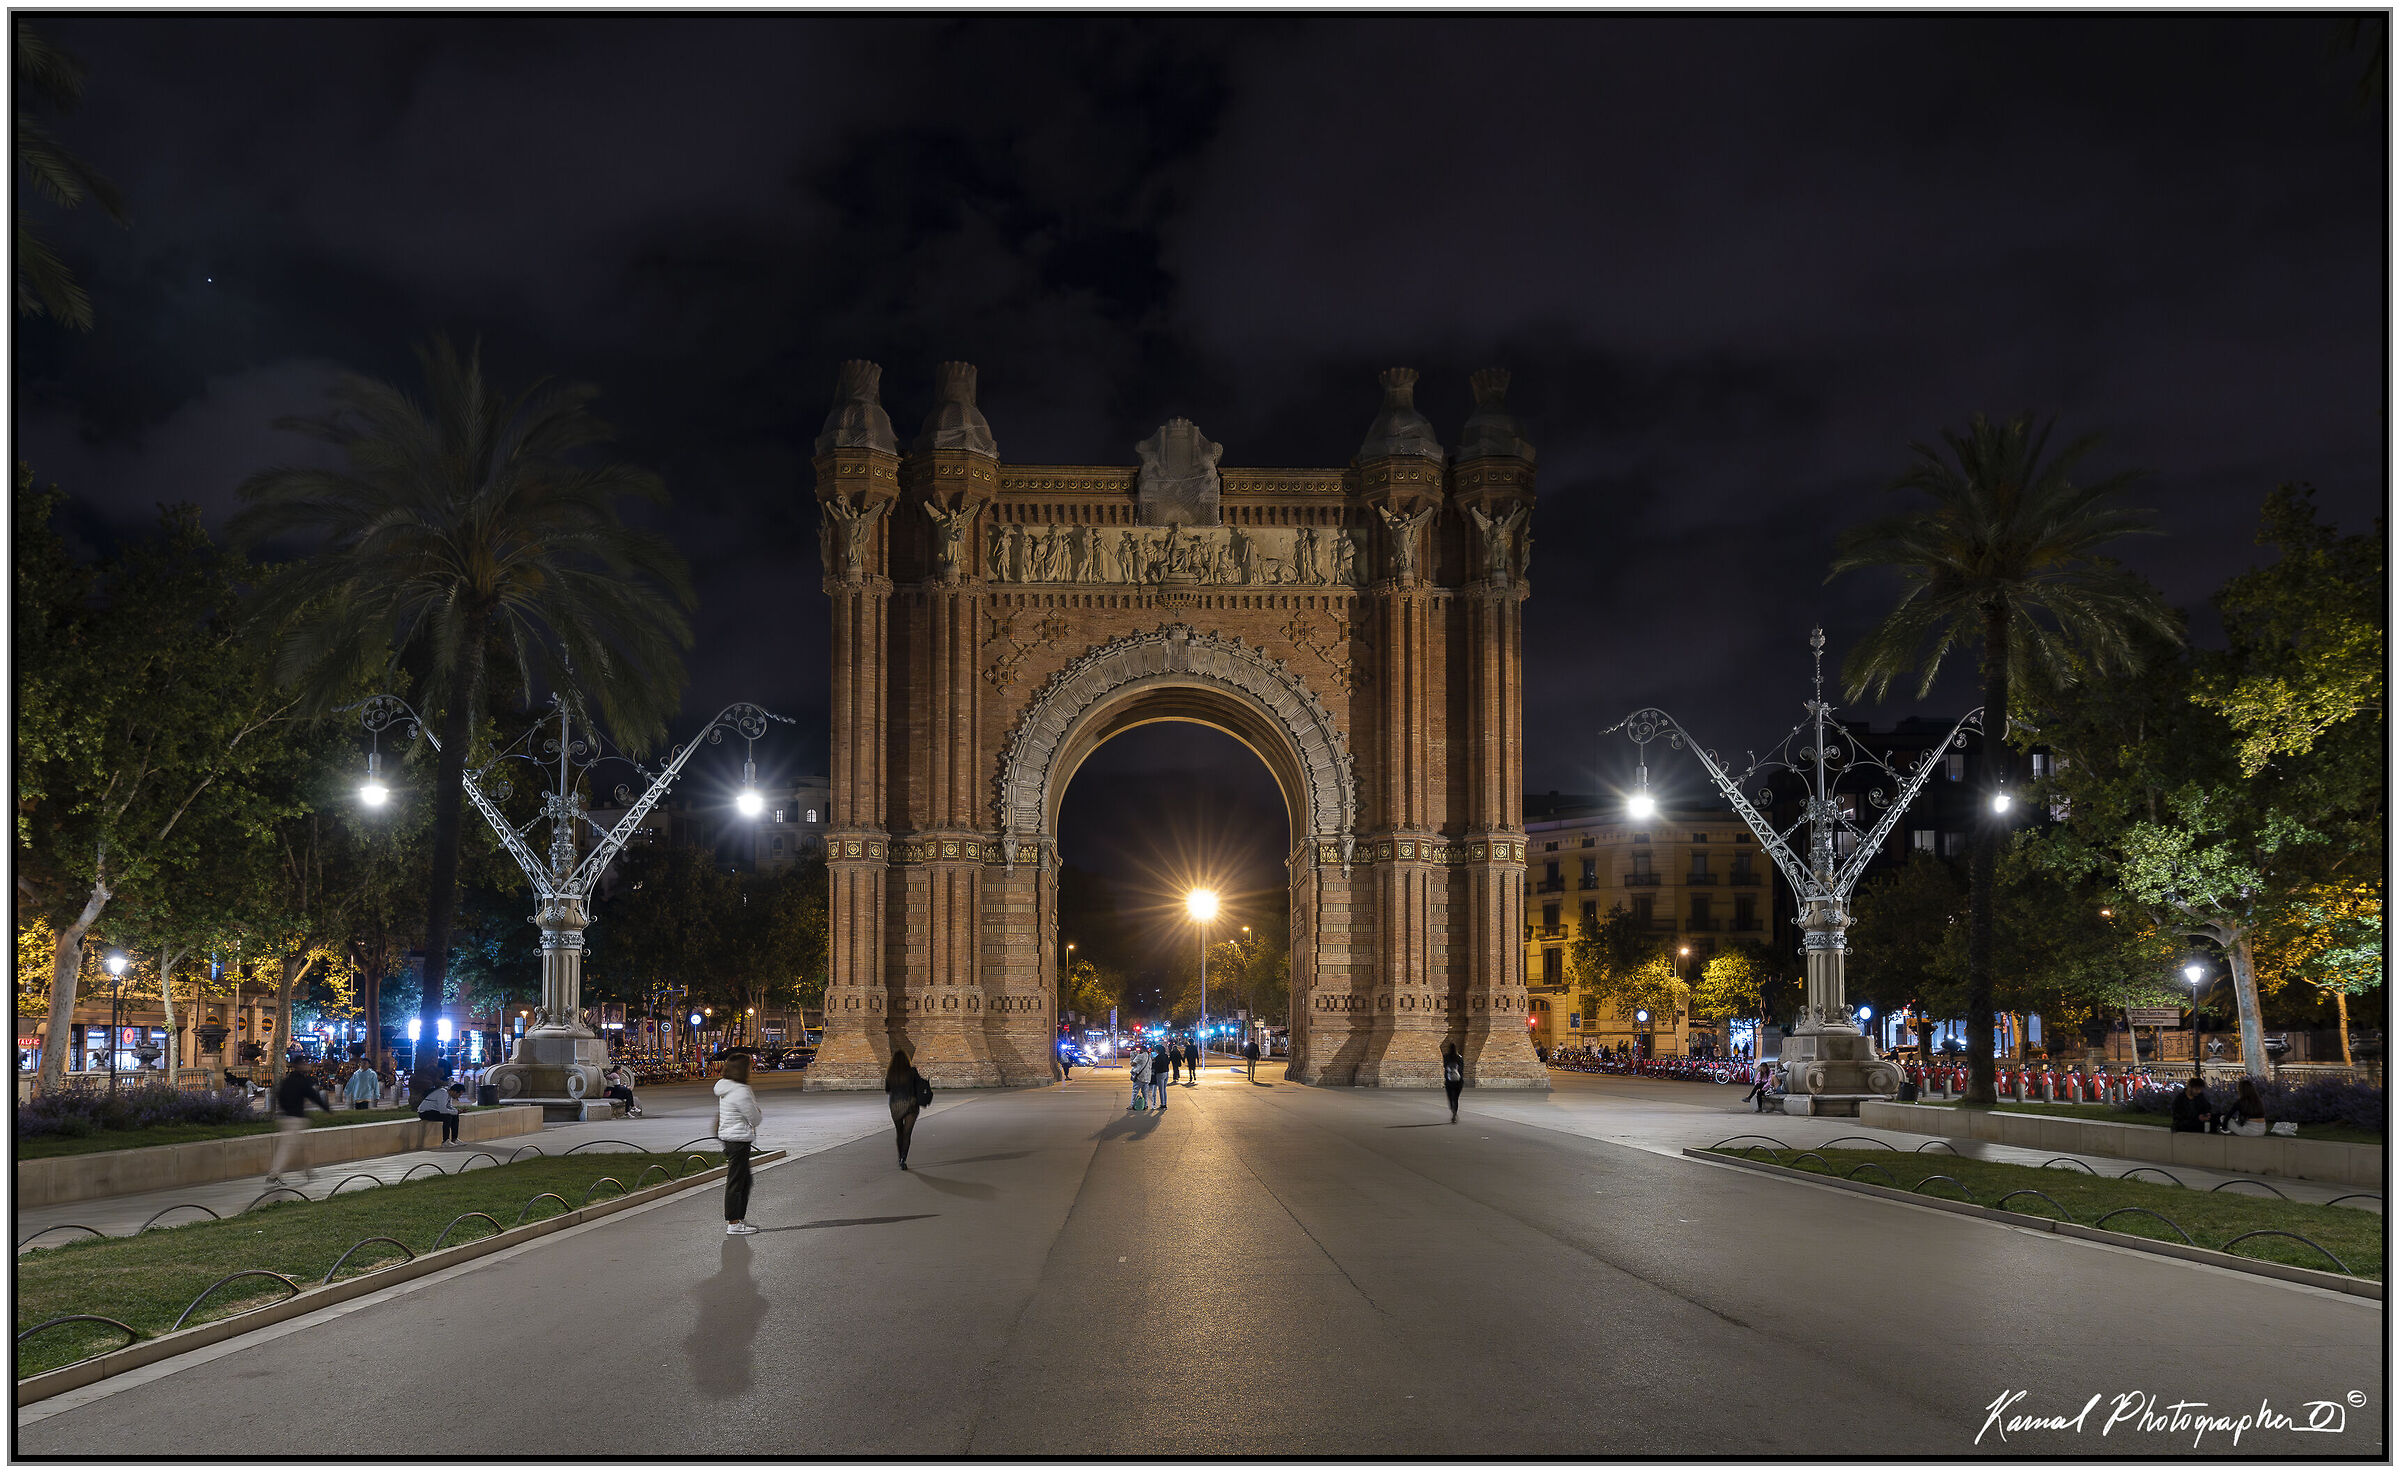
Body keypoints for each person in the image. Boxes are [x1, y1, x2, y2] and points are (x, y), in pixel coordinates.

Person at [265, 1059, 334, 1185]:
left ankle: (308, 1171)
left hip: (287, 1118)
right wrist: (327, 1109)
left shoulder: (287, 1080)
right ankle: (273, 1175)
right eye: (305, 1063)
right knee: (286, 1148)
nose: (307, 1065)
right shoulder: (302, 1081)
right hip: (295, 1119)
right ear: (300, 1066)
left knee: (302, 1146)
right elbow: (314, 1096)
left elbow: (279, 1096)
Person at [715, 1051, 762, 1234]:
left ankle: (737, 1219)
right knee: (737, 1182)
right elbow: (755, 1118)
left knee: (744, 1180)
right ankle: (734, 1223)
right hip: (738, 1138)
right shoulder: (740, 1091)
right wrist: (757, 1111)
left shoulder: (726, 1087)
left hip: (730, 1136)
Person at [886, 1048, 925, 1169]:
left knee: (899, 1132)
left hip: (895, 1105)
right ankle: (903, 1159)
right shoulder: (912, 1072)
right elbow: (919, 1085)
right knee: (907, 1134)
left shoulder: (891, 1073)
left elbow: (887, 1089)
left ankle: (899, 1158)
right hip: (911, 1105)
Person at [416, 1080, 465, 1146]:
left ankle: (454, 1139)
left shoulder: (448, 1095)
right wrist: (455, 1111)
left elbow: (449, 1106)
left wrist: (457, 1111)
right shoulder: (443, 1093)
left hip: (434, 1111)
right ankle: (445, 1141)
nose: (459, 1097)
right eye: (459, 1094)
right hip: (425, 1113)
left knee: (455, 1116)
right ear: (454, 1091)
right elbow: (443, 1110)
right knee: (447, 1117)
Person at [1441, 1041, 1465, 1123]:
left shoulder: (1446, 1057)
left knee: (1450, 1098)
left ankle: (1453, 1111)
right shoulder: (1459, 1058)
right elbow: (1462, 1069)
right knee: (1456, 1098)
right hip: (1459, 1081)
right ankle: (1455, 1113)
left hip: (1449, 1080)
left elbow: (1445, 1067)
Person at [1126, 1043, 1151, 1111]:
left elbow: (1132, 1064)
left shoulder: (1140, 1056)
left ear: (1141, 1050)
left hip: (1139, 1077)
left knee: (1135, 1091)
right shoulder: (1149, 1057)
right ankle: (1145, 1105)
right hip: (1147, 1078)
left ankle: (1132, 1105)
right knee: (1145, 1093)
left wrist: (1132, 1056)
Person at [1149, 1044, 1171, 1111]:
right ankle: (1164, 1103)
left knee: (1161, 1090)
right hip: (1166, 1073)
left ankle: (1163, 1105)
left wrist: (1153, 1062)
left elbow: (1156, 1066)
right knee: (1164, 1089)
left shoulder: (1158, 1057)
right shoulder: (1166, 1056)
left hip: (1160, 1074)